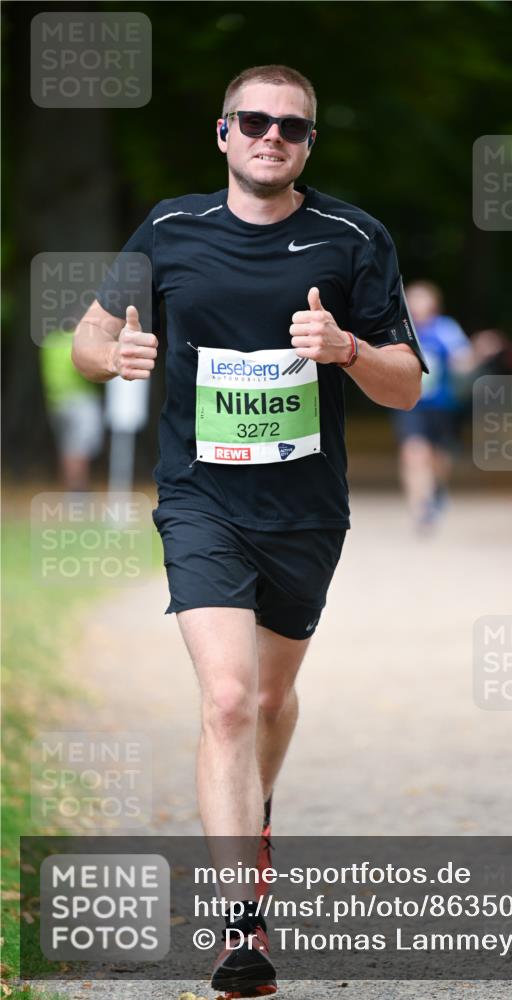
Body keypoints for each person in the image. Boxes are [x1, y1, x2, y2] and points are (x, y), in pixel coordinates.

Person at [72, 64, 426, 998]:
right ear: (223, 132)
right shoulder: (170, 228)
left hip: (306, 510)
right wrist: (117, 355)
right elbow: (86, 338)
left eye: (292, 127)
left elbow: (407, 381)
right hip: (200, 499)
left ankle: (252, 810)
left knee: (269, 704)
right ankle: (241, 927)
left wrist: (347, 349)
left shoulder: (352, 238)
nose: (272, 136)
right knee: (226, 700)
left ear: (309, 143)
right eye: (254, 121)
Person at [392, 281, 472, 531]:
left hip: (442, 405)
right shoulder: (400, 329)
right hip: (409, 402)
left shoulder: (446, 329)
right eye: (413, 299)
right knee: (413, 452)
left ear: (433, 304)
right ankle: (421, 508)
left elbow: (463, 359)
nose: (418, 305)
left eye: (423, 299)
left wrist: (469, 360)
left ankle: (437, 488)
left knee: (439, 456)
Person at [40, 328, 104, 490]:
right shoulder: (78, 343)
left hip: (56, 401)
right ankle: (78, 491)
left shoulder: (51, 341)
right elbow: (84, 370)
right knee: (80, 448)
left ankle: (69, 489)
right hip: (80, 400)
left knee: (67, 449)